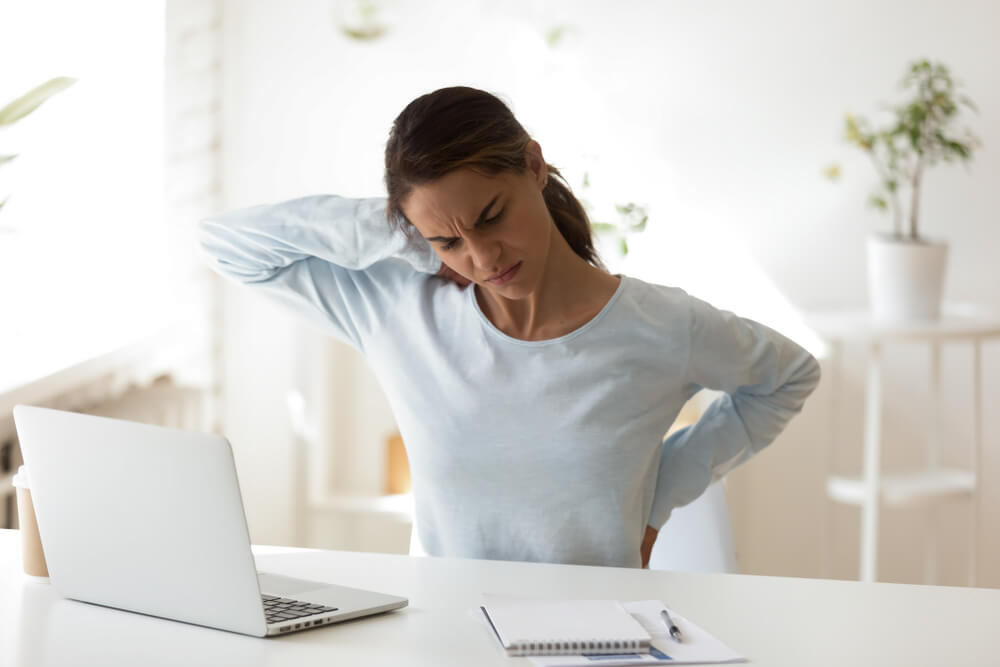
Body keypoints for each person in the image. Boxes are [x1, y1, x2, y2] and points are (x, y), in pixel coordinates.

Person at [198, 86, 821, 569]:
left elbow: (790, 375)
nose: (485, 258)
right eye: (450, 240)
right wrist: (401, 231)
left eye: (491, 216)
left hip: (596, 640)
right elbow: (224, 245)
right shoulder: (396, 309)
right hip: (443, 637)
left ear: (533, 165)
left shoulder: (660, 326)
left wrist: (662, 494)